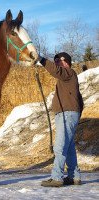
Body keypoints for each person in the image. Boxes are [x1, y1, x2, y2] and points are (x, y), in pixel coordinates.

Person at [37, 52, 84, 187]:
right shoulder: (67, 80)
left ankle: (57, 177)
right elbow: (80, 100)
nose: (57, 62)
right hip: (67, 114)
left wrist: (40, 59)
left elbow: (55, 70)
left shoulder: (69, 73)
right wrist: (76, 114)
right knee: (69, 148)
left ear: (67, 62)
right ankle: (74, 176)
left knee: (60, 146)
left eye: (60, 60)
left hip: (67, 114)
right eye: (55, 60)